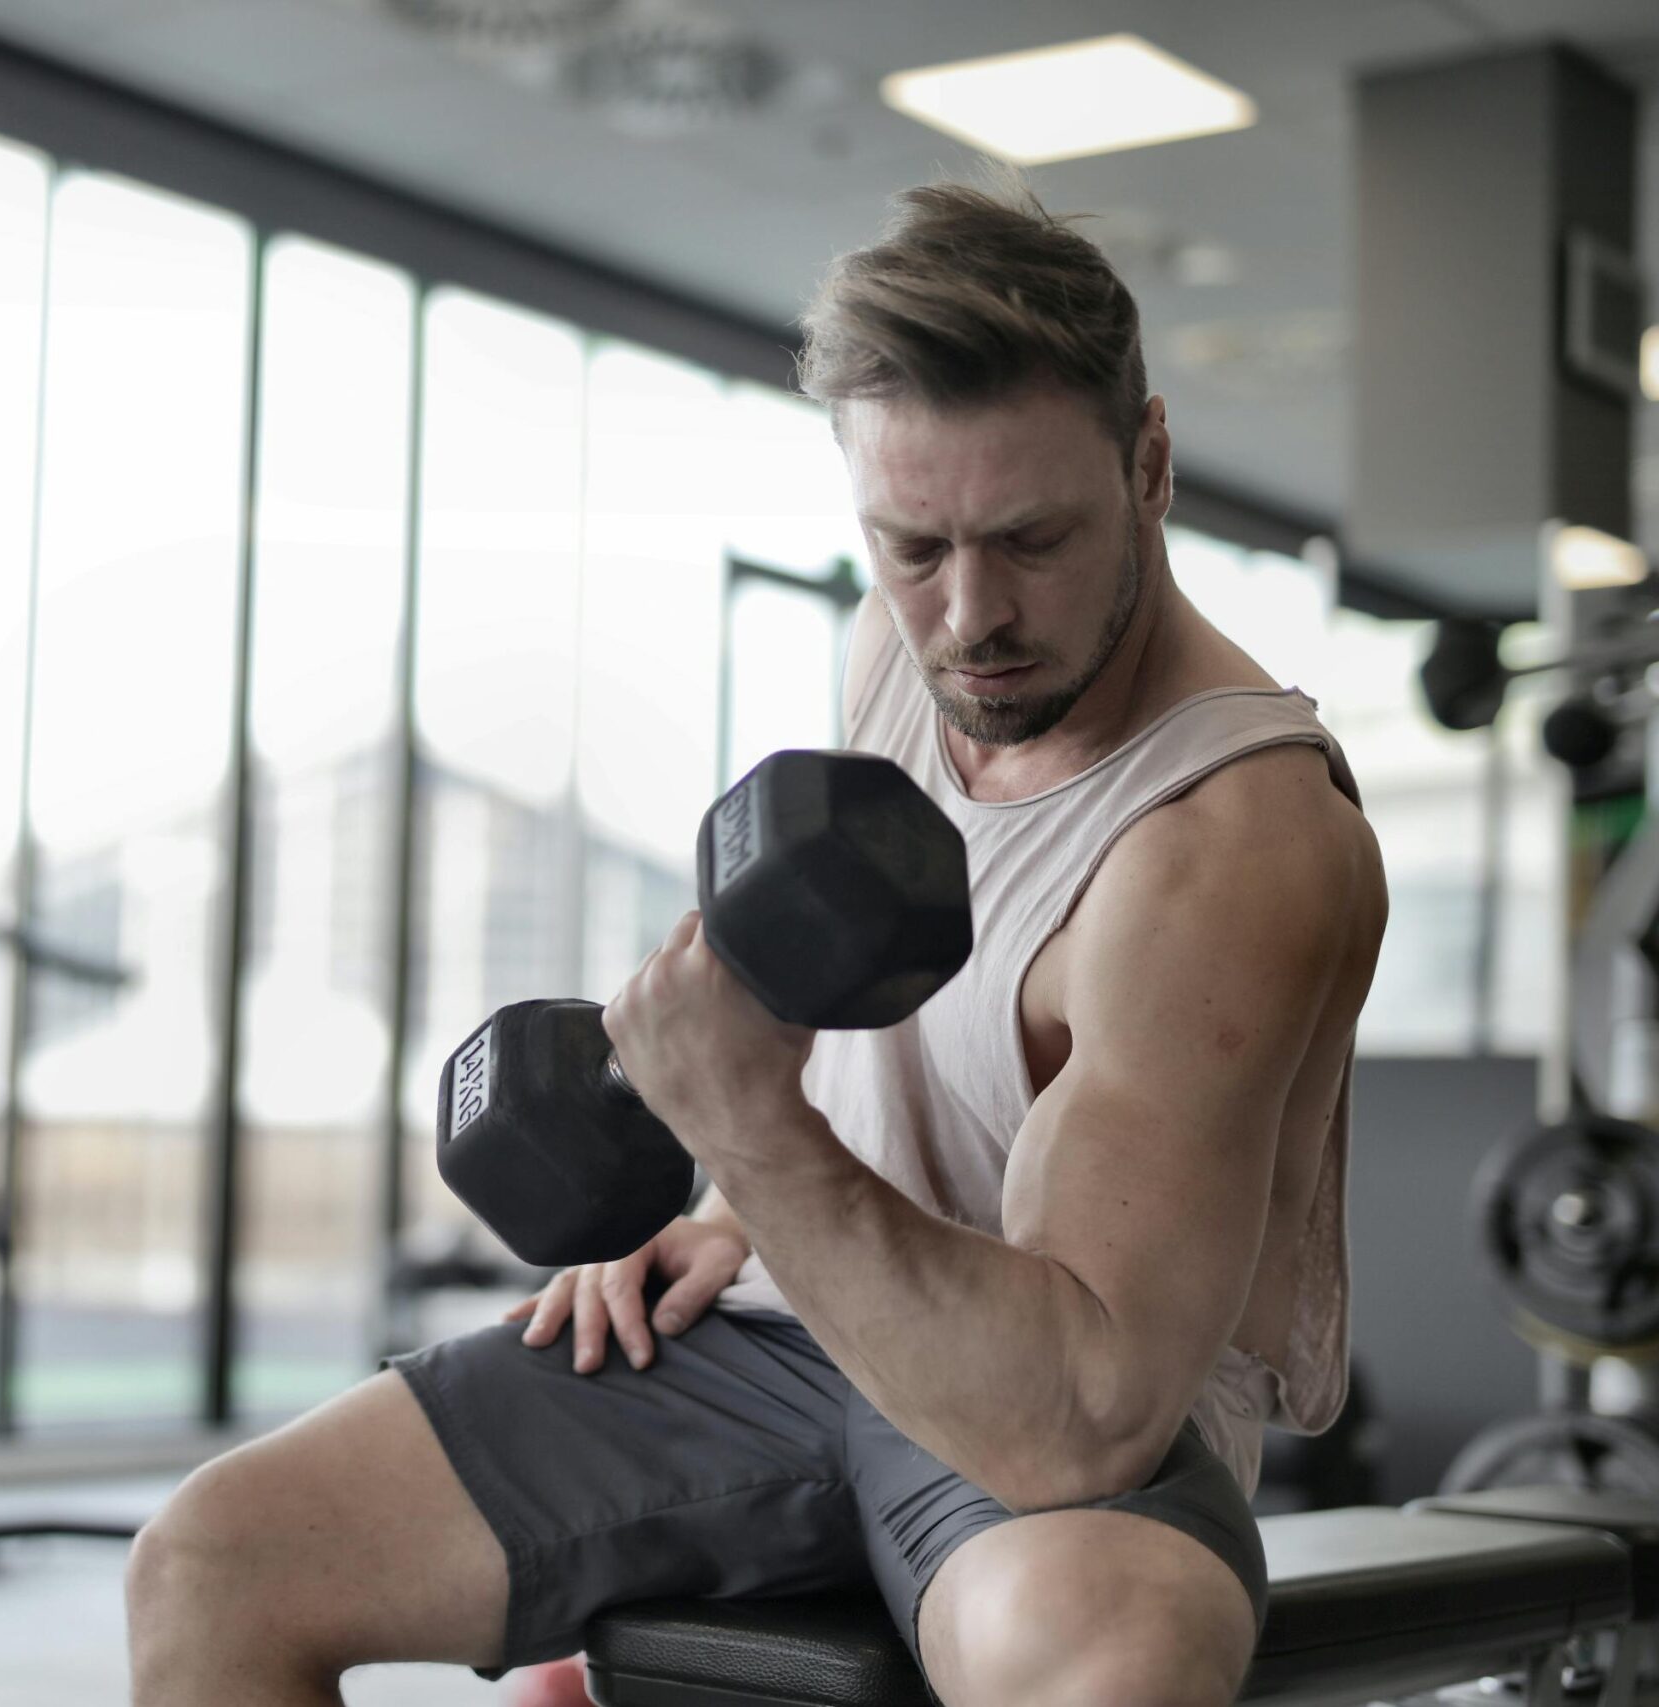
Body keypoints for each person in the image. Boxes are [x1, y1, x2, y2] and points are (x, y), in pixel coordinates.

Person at [124, 171, 1387, 1707]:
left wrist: (747, 1135)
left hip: (1051, 1420)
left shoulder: (1230, 845)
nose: (970, 616)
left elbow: (1085, 1412)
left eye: (1032, 539)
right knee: (210, 1562)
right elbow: (877, 1035)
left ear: (1153, 464)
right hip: (786, 1329)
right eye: (913, 547)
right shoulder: (898, 651)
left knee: (1121, 1656)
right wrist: (729, 1211)